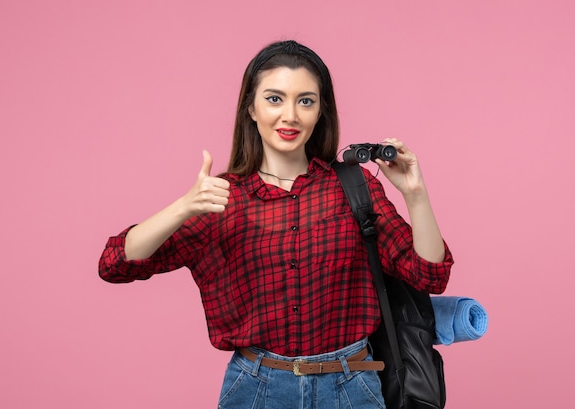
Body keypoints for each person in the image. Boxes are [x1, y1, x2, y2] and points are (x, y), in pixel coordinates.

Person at [99, 40, 453, 409]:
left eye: (305, 101)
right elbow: (115, 264)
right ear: (250, 108)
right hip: (256, 388)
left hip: (351, 386)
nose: (290, 116)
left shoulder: (355, 186)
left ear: (320, 112)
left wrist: (415, 194)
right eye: (274, 99)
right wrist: (183, 208)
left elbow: (429, 276)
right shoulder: (222, 198)